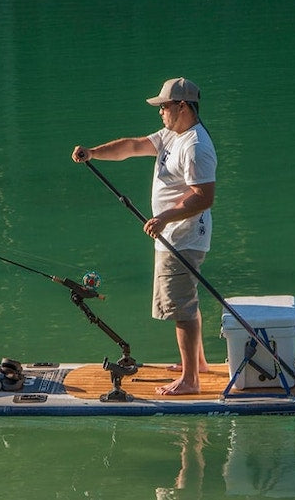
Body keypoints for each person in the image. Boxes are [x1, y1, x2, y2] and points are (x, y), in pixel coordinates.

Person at [71, 77, 217, 395]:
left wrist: (164, 217)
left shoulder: (196, 145)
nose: (160, 111)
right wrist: (93, 152)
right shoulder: (171, 135)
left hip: (183, 235)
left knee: (181, 306)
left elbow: (204, 196)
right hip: (172, 232)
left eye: (164, 106)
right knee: (186, 299)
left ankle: (191, 379)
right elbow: (132, 146)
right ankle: (200, 363)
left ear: (182, 106)